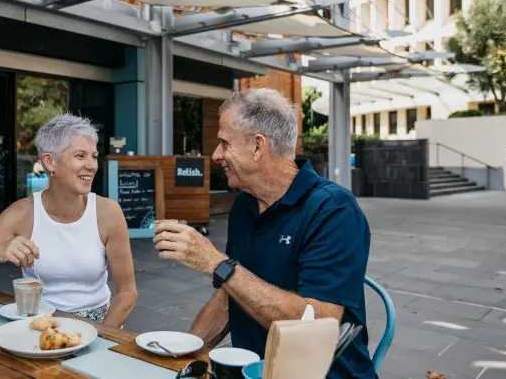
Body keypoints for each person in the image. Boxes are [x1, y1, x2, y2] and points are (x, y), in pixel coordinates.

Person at [153, 89, 375, 379]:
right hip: (254, 371)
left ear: (258, 146)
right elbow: (227, 299)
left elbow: (318, 324)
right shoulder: (245, 204)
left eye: (223, 143)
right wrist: (180, 361)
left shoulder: (333, 210)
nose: (216, 155)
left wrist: (215, 262)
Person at [0, 114, 137, 327]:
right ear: (50, 161)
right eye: (81, 156)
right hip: (40, 323)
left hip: (100, 324)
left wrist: (99, 338)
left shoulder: (108, 213)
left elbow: (127, 293)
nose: (92, 166)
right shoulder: (20, 214)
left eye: (94, 156)